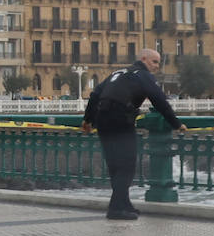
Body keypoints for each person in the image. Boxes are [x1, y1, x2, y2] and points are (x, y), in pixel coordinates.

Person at [80, 48, 187, 220]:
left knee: (115, 166)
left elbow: (95, 95)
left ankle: (124, 204)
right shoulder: (142, 75)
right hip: (120, 120)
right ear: (144, 59)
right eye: (154, 61)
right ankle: (115, 209)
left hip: (103, 120)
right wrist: (176, 123)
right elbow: (159, 99)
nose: (157, 66)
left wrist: (88, 120)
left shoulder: (119, 72)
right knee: (127, 166)